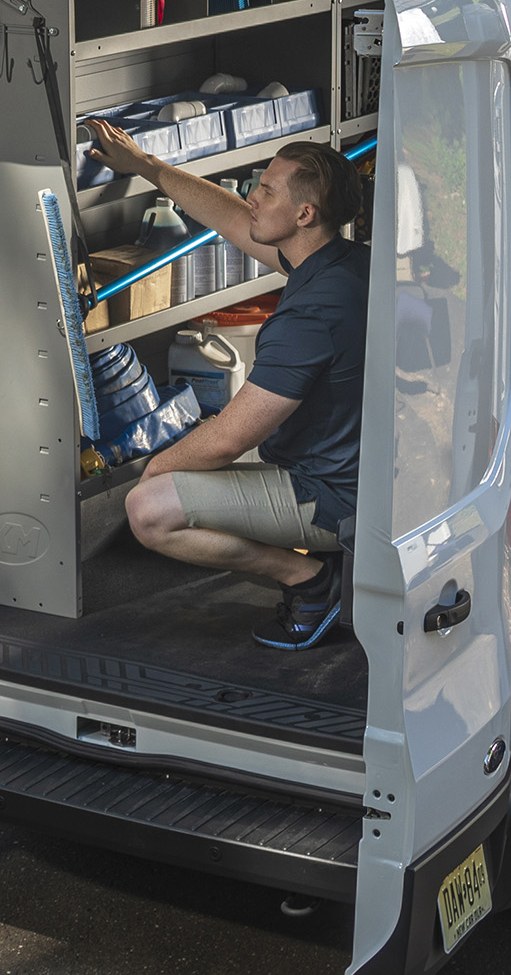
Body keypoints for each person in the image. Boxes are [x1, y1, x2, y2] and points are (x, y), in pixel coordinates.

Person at [84, 121, 370, 650]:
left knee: (150, 509)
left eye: (267, 190)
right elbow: (233, 219)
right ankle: (322, 567)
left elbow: (226, 440)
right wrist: (148, 167)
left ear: (304, 215)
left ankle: (310, 581)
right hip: (356, 476)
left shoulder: (309, 317)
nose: (253, 197)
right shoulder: (341, 263)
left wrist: (156, 470)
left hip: (334, 498)